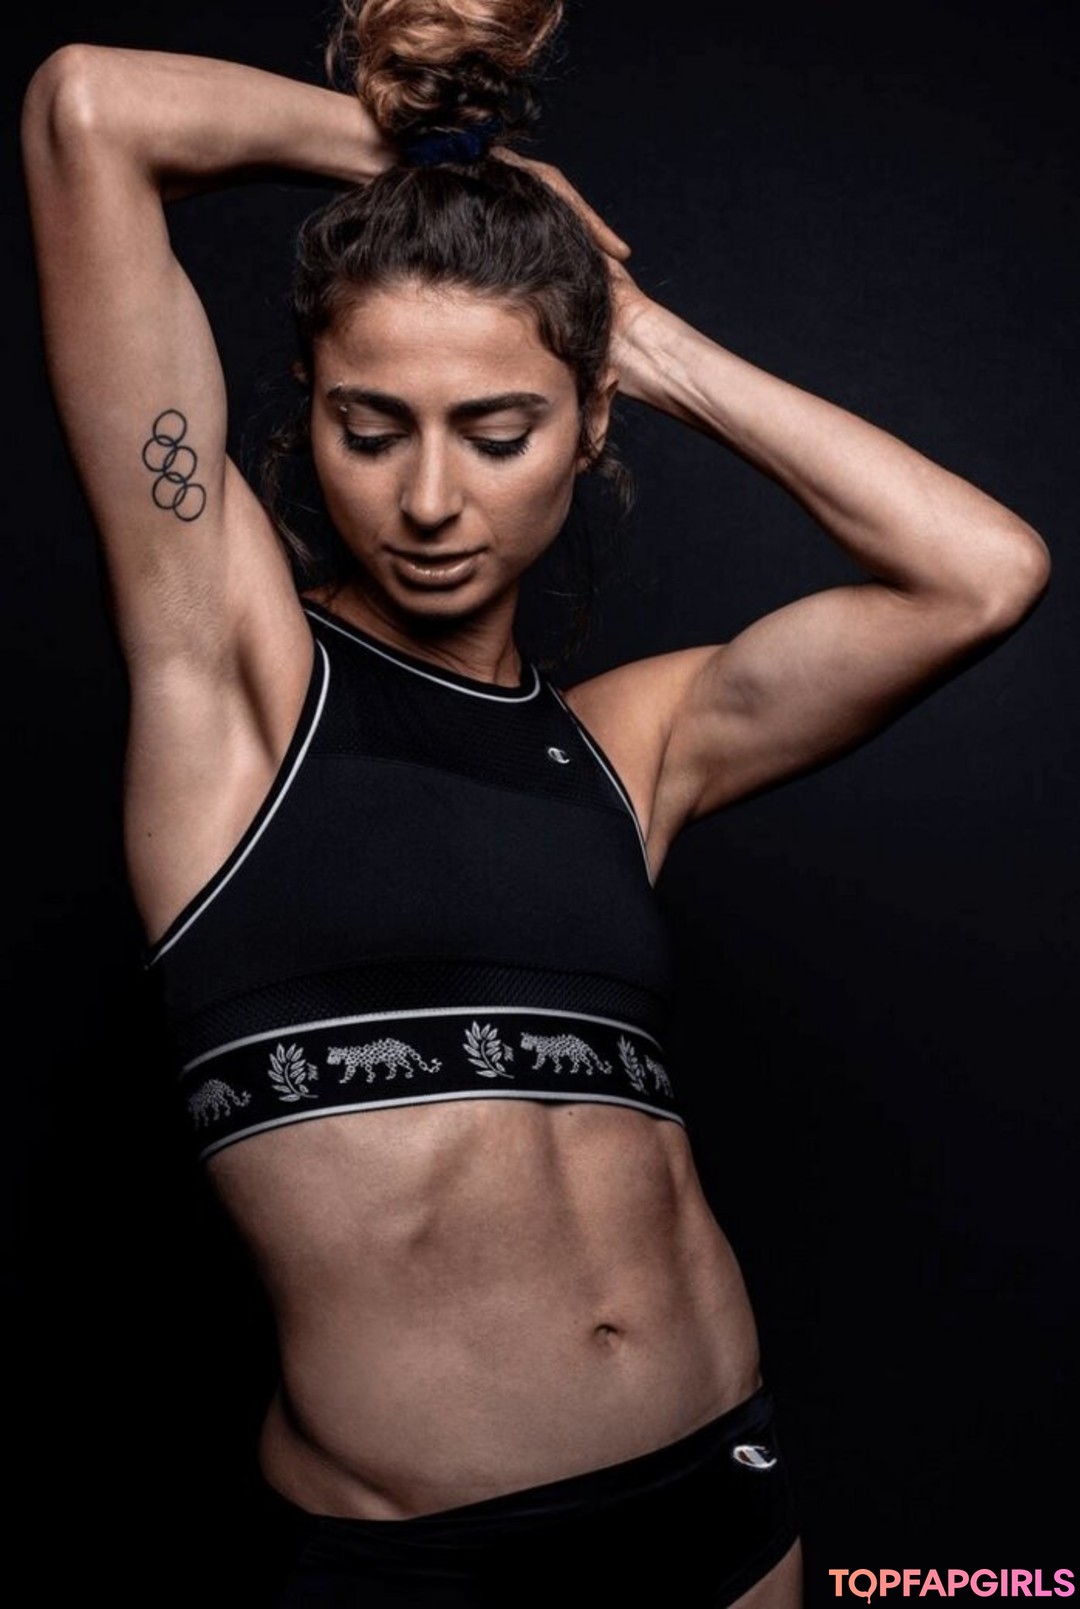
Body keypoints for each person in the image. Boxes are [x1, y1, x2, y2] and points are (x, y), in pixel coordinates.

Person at [21, 2, 1050, 1604]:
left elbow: (983, 574)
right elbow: (89, 111)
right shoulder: (234, 681)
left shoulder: (626, 747)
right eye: (371, 429)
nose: (430, 498)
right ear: (308, 409)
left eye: (498, 430)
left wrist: (641, 335)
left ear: (586, 423)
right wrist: (457, 168)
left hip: (726, 1499)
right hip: (435, 1560)